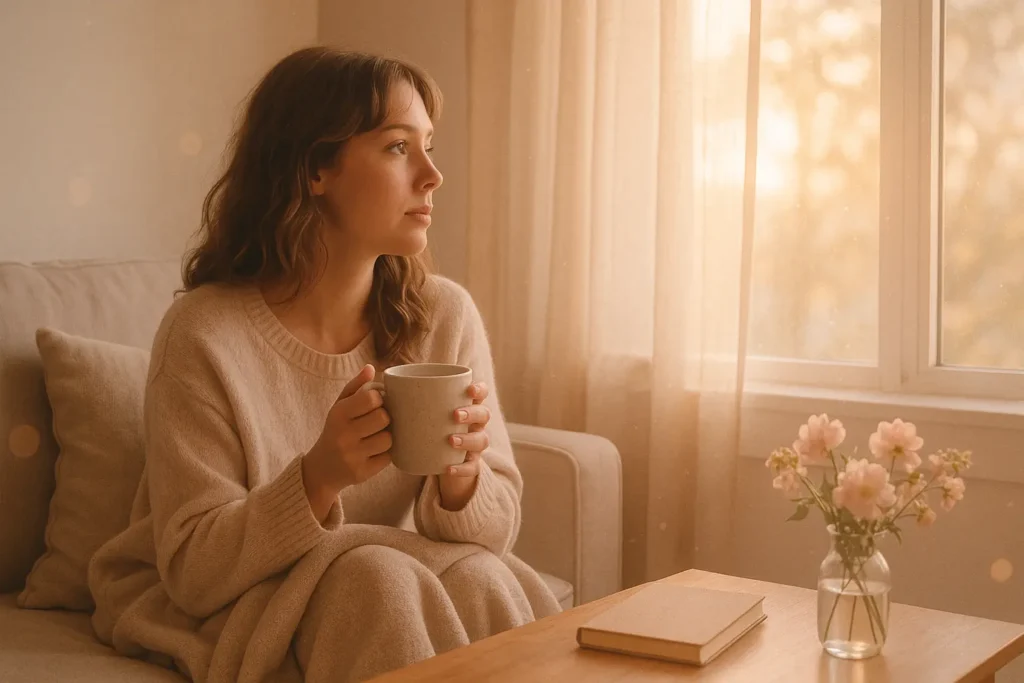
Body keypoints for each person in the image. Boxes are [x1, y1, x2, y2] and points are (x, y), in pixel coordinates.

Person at [87, 46, 560, 683]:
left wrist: (463, 478)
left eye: (429, 145)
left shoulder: (443, 315)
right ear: (316, 168)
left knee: (480, 579)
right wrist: (317, 478)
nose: (431, 175)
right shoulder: (203, 333)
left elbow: (493, 536)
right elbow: (194, 573)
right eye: (398, 147)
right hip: (235, 593)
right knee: (375, 579)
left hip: (384, 568)